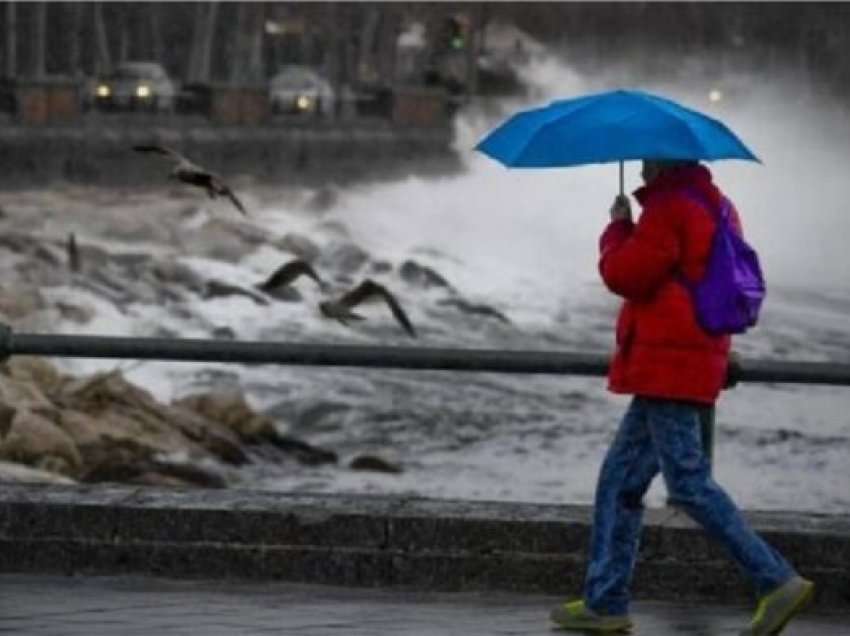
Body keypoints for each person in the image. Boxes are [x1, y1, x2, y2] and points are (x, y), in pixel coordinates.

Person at [549, 160, 814, 635]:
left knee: (688, 483)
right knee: (620, 481)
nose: (644, 168)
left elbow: (627, 276)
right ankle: (605, 602)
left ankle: (776, 579)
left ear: (664, 163)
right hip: (688, 358)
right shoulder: (718, 205)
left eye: (649, 160)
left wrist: (616, 228)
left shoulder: (669, 208)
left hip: (669, 365)